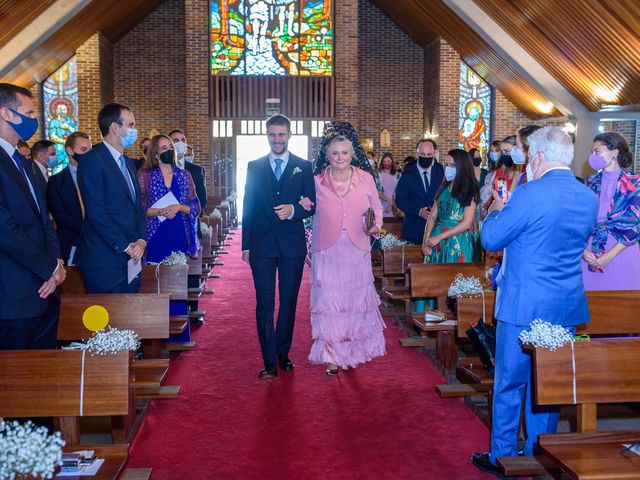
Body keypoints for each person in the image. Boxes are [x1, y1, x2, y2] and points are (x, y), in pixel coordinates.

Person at [472, 127, 598, 477]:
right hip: (565, 304)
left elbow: (491, 238)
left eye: (528, 155)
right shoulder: (587, 196)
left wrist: (497, 209)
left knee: (510, 382)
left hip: (523, 304)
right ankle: (540, 453)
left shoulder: (529, 193)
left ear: (538, 157)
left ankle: (504, 457)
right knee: (548, 384)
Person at [303, 135, 386, 375]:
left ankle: (354, 351)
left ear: (352, 155)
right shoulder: (316, 180)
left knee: (353, 302)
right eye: (335, 153)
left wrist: (375, 227)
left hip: (356, 245)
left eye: (344, 153)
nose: (340, 157)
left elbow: (377, 209)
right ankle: (331, 355)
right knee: (330, 302)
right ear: (327, 157)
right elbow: (306, 207)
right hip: (327, 248)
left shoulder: (366, 178)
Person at [242, 114, 315, 379]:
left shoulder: (303, 166)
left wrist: (294, 209)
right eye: (272, 134)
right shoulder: (254, 166)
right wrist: (246, 245)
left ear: (289, 135)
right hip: (261, 245)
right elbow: (247, 205)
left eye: (281, 134)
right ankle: (268, 360)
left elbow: (312, 203)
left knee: (288, 302)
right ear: (267, 135)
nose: (277, 139)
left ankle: (283, 353)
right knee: (264, 303)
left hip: (291, 246)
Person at [0, 83, 66, 350]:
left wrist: (57, 263)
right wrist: (48, 267)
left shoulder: (21, 160)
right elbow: (5, 229)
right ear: (6, 114)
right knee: (15, 386)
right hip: (13, 294)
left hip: (46, 289)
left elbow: (44, 218)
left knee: (43, 378)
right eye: (28, 113)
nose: (33, 120)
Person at [76, 102, 147, 294]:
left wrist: (141, 240)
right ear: (115, 128)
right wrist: (125, 246)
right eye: (131, 125)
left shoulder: (129, 164)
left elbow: (138, 206)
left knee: (129, 319)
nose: (135, 129)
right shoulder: (91, 161)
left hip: (132, 257)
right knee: (108, 321)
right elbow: (96, 212)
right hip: (104, 260)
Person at [581, 132, 640, 290]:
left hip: (621, 253)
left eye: (597, 151)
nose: (592, 156)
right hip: (589, 253)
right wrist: (583, 251)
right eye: (592, 152)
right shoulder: (590, 182)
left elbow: (635, 226)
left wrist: (609, 256)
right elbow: (579, 219)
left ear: (614, 153)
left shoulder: (635, 183)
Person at [138, 134, 200, 263]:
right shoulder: (145, 176)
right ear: (156, 153)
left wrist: (178, 207)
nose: (170, 151)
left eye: (171, 147)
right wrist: (161, 211)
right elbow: (138, 208)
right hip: (155, 234)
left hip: (179, 232)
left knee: (177, 280)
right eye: (164, 148)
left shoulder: (184, 175)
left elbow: (196, 206)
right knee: (155, 278)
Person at [423, 149, 480, 263]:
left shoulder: (470, 189)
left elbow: (466, 223)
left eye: (453, 166)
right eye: (447, 165)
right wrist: (426, 239)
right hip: (437, 239)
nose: (448, 169)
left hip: (458, 241)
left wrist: (440, 236)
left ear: (463, 167)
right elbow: (433, 216)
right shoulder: (444, 187)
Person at [47, 131, 92, 265]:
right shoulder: (56, 181)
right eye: (83, 149)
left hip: (98, 240)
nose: (88, 154)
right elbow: (59, 214)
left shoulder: (98, 177)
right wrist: (86, 228)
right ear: (70, 151)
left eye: (90, 150)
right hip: (71, 240)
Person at [395, 138, 444, 244]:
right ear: (417, 154)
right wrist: (418, 211)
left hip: (437, 230)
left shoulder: (441, 172)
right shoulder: (407, 174)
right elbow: (399, 200)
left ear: (434, 154)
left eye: (429, 154)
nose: (425, 157)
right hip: (413, 228)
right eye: (423, 154)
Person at [481, 136, 516, 211]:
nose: (503, 155)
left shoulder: (525, 172)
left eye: (506, 151)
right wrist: (486, 207)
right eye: (502, 152)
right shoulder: (500, 172)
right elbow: (500, 195)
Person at [378, 152, 399, 217]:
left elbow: (398, 191)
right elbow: (377, 191)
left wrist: (391, 204)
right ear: (381, 162)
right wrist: (389, 201)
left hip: (394, 205)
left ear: (392, 162)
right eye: (384, 161)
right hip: (380, 204)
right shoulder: (378, 174)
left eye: (388, 161)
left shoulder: (397, 175)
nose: (386, 163)